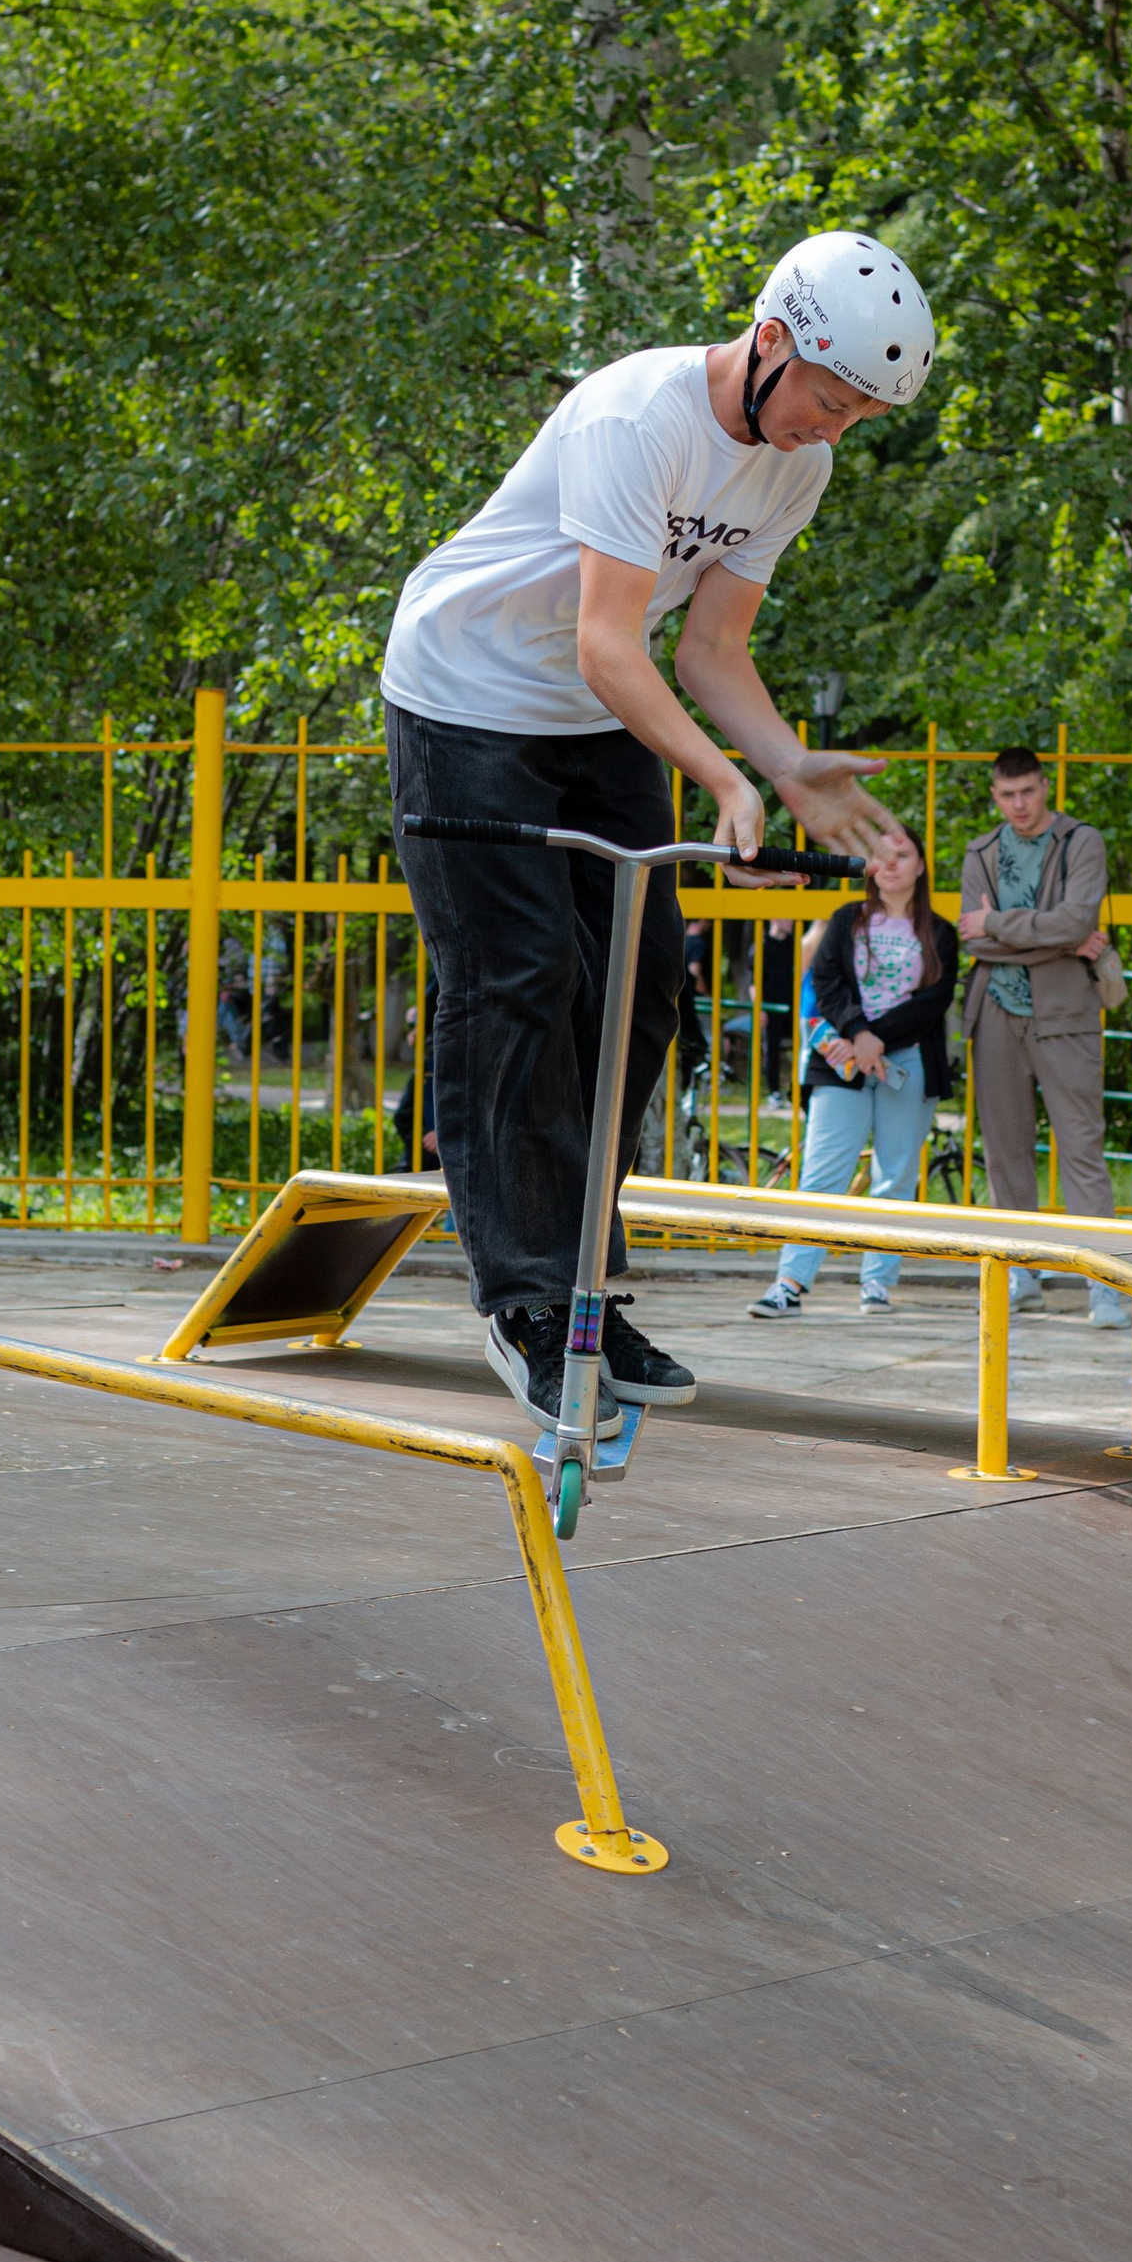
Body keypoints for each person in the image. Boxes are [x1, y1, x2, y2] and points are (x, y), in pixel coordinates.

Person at [384, 230, 938, 1438]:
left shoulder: (796, 468)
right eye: (828, 401)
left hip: (594, 717)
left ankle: (584, 1284)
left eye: (857, 419)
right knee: (519, 980)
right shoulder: (635, 415)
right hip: (464, 700)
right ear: (772, 343)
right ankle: (522, 1299)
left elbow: (711, 651)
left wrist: (784, 766)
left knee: (640, 993)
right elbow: (607, 638)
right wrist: (719, 781)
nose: (831, 431)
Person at [750, 823, 957, 1314]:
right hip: (842, 1057)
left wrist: (877, 1040)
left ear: (921, 866)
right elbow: (825, 981)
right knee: (822, 1174)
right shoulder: (846, 920)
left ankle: (878, 1284)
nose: (890, 864)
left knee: (895, 1178)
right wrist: (858, 1034)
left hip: (906, 1061)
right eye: (880, 855)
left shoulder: (940, 933)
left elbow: (934, 1001)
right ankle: (790, 1285)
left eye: (902, 855)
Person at [957, 747, 1130, 1328]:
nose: (1019, 805)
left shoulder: (1082, 841)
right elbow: (973, 941)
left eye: (1028, 791)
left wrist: (1000, 924)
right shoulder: (980, 852)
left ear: (1044, 787)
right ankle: (1022, 1274)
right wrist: (1055, 937)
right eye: (1007, 795)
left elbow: (1076, 921)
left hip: (1066, 1015)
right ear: (994, 796)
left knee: (1081, 1148)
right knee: (1006, 1154)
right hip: (995, 1014)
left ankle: (1105, 1285)